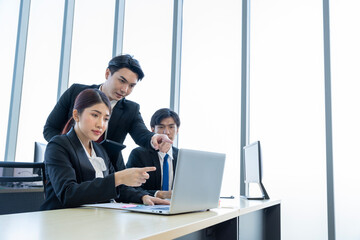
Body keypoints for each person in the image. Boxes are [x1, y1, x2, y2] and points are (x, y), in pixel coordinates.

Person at [41, 89, 169, 210]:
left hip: (94, 220)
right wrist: (118, 177)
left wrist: (143, 197)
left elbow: (118, 189)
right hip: (63, 222)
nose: (100, 124)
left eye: (106, 119)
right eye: (95, 115)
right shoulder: (58, 145)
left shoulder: (100, 149)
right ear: (76, 115)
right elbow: (68, 194)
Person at [43, 54, 172, 171]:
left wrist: (154, 138)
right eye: (122, 81)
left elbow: (142, 133)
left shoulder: (131, 109)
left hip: (108, 172)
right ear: (107, 73)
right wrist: (67, 151)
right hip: (69, 165)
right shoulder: (76, 92)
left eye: (131, 86)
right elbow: (50, 128)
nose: (124, 90)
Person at [126, 108, 180, 199]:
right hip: (148, 207)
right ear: (152, 130)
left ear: (177, 130)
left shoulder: (181, 156)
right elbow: (129, 188)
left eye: (171, 127)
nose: (166, 132)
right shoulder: (139, 154)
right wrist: (159, 194)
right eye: (161, 127)